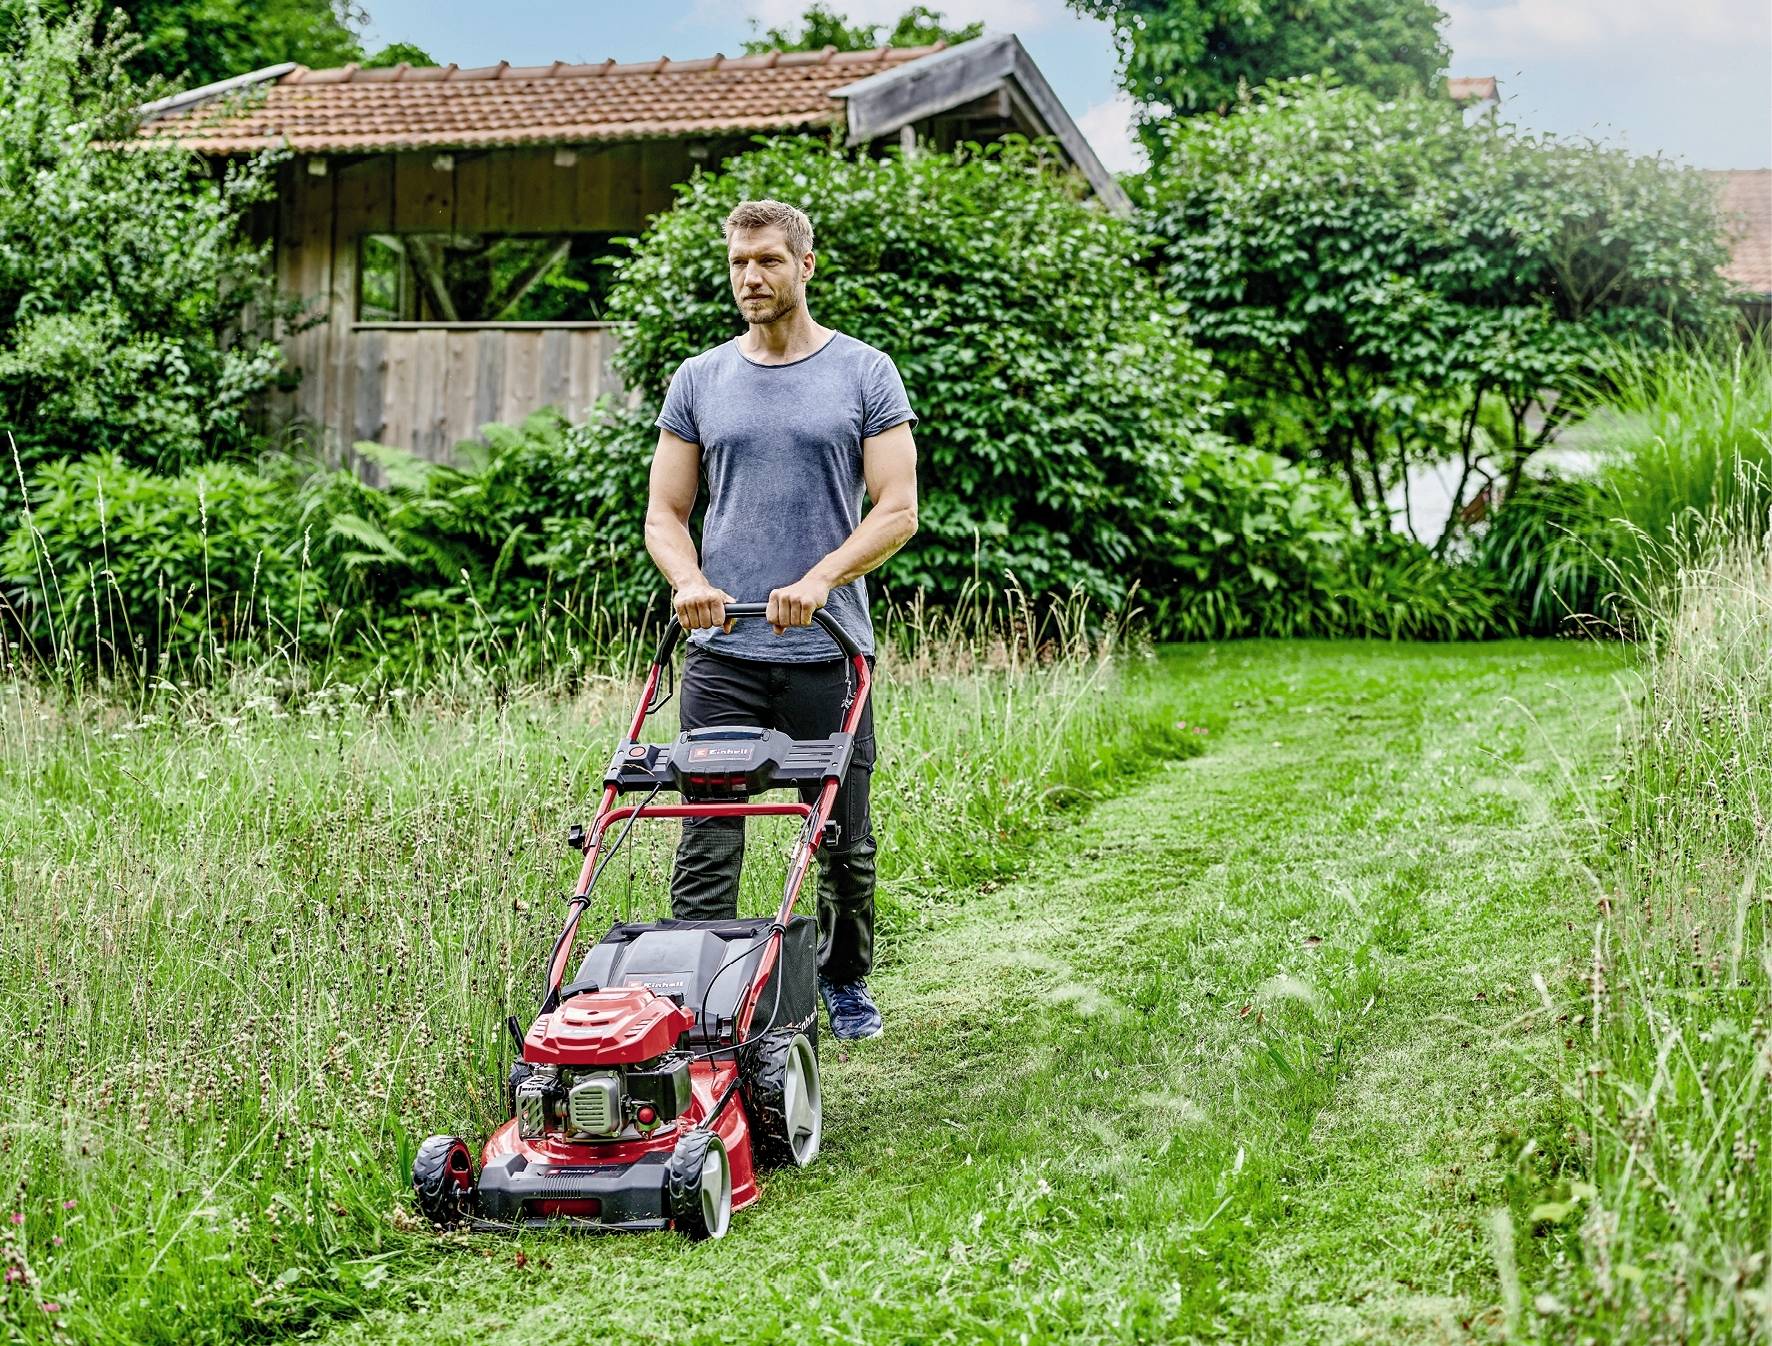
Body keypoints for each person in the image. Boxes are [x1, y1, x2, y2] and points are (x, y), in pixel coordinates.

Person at [644, 198, 919, 1041]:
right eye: (738, 263)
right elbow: (665, 513)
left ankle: (844, 983)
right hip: (724, 650)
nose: (750, 277)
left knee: (841, 840)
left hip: (827, 651)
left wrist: (822, 579)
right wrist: (688, 580)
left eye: (766, 260)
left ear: (806, 264)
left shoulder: (865, 373)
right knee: (706, 831)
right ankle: (704, 1007)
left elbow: (897, 509)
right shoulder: (698, 379)